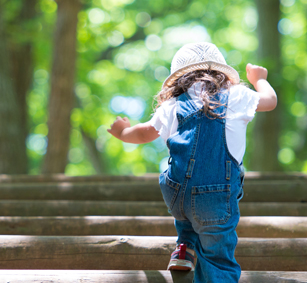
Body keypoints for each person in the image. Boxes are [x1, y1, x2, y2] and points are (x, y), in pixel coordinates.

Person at [107, 42, 277, 282]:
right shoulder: (236, 95)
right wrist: (259, 79)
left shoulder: (173, 105)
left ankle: (184, 248)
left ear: (179, 80)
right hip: (216, 199)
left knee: (188, 205)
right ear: (222, 75)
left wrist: (123, 132)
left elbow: (144, 133)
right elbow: (269, 101)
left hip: (176, 196)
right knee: (217, 259)